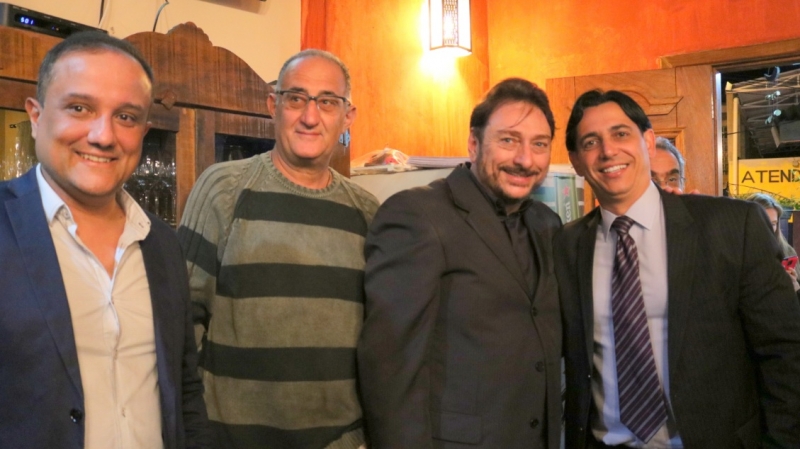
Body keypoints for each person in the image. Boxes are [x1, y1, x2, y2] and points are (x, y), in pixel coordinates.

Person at [556, 89, 800, 448]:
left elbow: (785, 350)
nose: (608, 151)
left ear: (647, 141)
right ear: (576, 162)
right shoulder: (565, 245)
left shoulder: (732, 226)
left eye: (620, 134)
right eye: (590, 142)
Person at [0, 31, 209, 448]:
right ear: (36, 116)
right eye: (80, 108)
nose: (103, 136)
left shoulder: (162, 243)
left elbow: (185, 389)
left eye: (126, 117)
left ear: (144, 131)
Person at [178, 49, 377, 449]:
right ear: (274, 105)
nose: (310, 117)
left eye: (327, 102)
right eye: (296, 98)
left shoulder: (369, 214)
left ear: (347, 116)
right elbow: (181, 325)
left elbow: (379, 344)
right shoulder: (223, 190)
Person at [358, 78, 563, 449]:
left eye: (539, 144)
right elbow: (391, 371)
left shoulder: (547, 224)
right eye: (508, 140)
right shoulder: (417, 215)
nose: (525, 159)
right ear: (473, 143)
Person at [746, 192, 800, 290]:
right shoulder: (734, 254)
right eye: (763, 222)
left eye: (773, 223)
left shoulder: (787, 251)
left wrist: (795, 287)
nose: (769, 228)